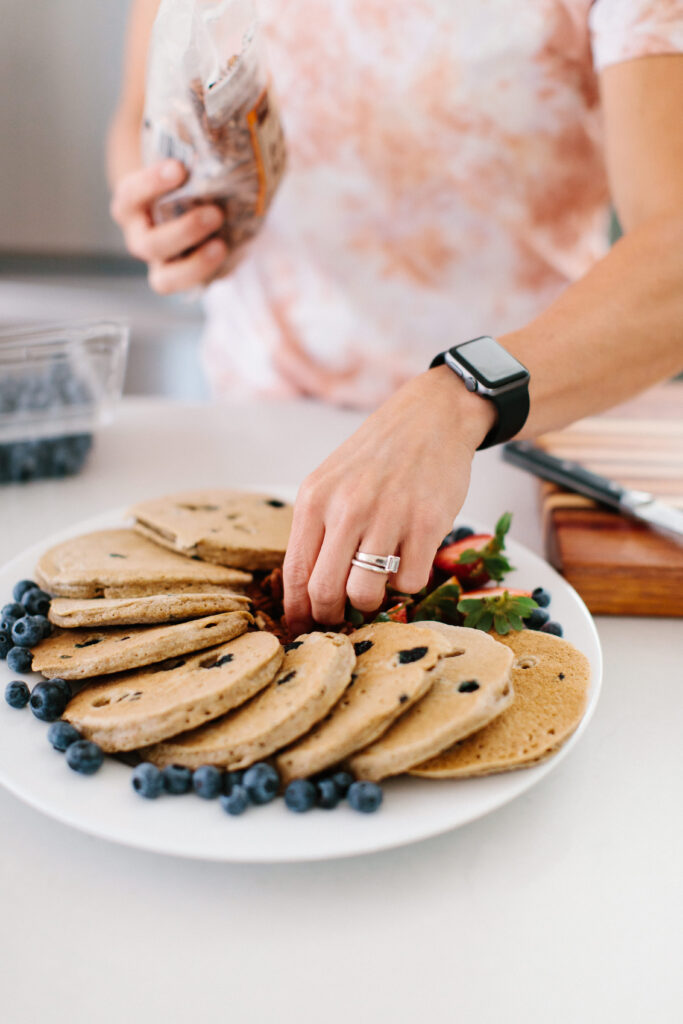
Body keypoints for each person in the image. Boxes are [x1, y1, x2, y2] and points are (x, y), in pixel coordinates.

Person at [108, 1, 683, 635]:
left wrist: (465, 395)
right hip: (259, 417)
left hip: (523, 444)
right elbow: (140, 111)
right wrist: (164, 208)